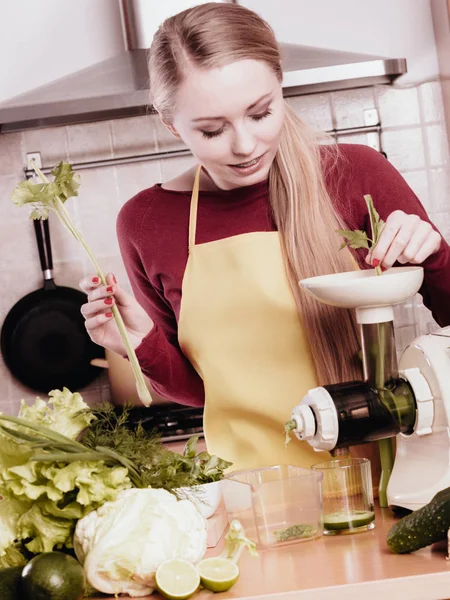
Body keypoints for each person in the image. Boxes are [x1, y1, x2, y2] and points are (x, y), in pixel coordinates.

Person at [80, 2, 450, 473]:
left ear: (281, 87)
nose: (244, 145)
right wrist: (140, 344)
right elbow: (200, 392)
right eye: (213, 129)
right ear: (172, 125)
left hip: (388, 478)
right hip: (255, 499)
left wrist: (434, 256)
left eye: (261, 113)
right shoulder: (146, 222)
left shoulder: (357, 173)